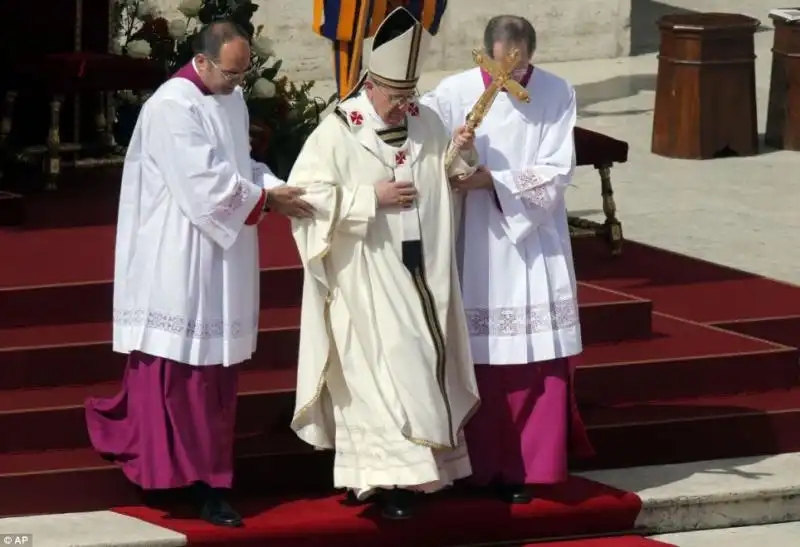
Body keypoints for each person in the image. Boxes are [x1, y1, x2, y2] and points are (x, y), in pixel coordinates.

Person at [84, 21, 312, 527]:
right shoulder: (171, 106)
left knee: (214, 373)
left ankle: (210, 475)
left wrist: (274, 184)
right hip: (178, 252)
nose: (238, 82)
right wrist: (266, 199)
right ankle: (176, 475)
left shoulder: (229, 100)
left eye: (243, 72)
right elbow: (203, 185)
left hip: (221, 253)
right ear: (202, 61)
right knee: (177, 370)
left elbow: (238, 165)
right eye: (231, 73)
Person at [287, 7, 481, 520]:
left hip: (423, 271)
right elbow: (306, 197)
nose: (402, 108)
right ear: (370, 84)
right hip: (367, 277)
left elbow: (446, 177)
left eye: (408, 97)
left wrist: (461, 153)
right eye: (395, 98)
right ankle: (385, 480)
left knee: (422, 360)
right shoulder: (337, 131)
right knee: (385, 369)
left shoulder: (426, 120)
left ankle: (420, 475)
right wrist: (369, 198)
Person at [421, 14, 594, 504]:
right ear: (486, 54)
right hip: (472, 238)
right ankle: (475, 466)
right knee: (479, 359)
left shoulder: (557, 93)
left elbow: (557, 170)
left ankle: (527, 468)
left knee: (533, 360)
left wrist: (491, 182)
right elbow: (428, 151)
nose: (509, 79)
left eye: (518, 71)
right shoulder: (452, 93)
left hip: (532, 239)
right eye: (501, 68)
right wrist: (458, 154)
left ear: (531, 57)